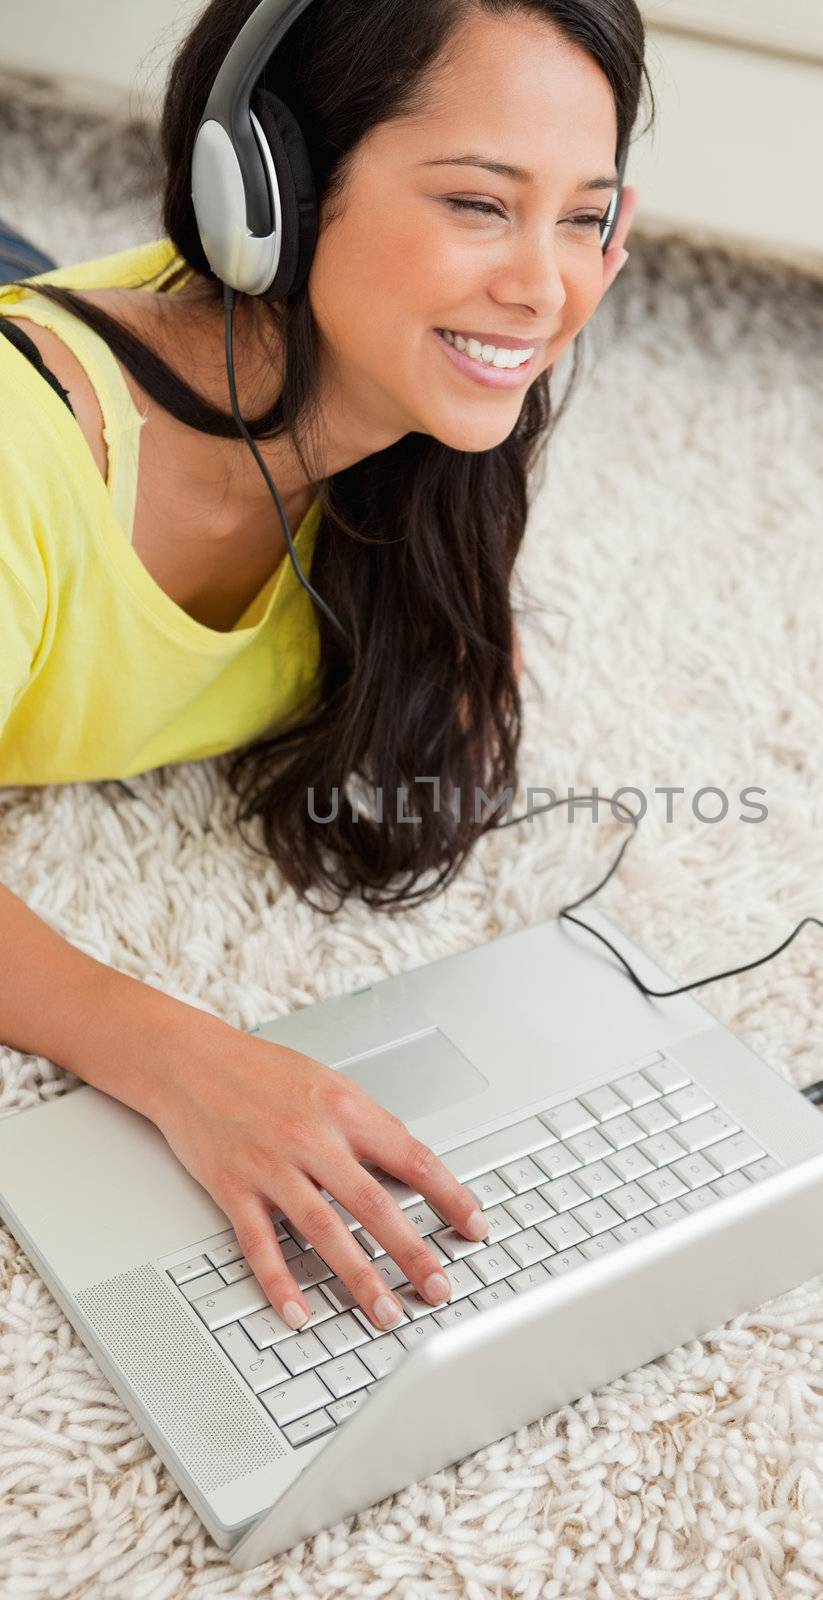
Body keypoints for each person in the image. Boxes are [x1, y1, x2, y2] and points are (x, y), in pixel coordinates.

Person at [0, 0, 646, 1341]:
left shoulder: (416, 436)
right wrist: (181, 1058)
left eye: (588, 218)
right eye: (481, 204)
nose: (546, 287)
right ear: (270, 193)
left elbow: (454, 696)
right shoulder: (22, 467)